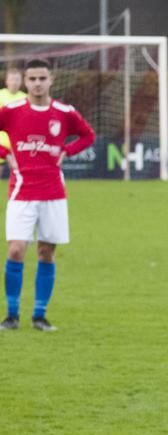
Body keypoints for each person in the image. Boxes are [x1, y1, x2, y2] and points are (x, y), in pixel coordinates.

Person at [0, 58, 96, 332]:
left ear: (51, 80)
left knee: (46, 252)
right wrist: (5, 154)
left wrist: (68, 151)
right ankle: (11, 315)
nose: (37, 83)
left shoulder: (64, 112)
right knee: (16, 250)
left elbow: (88, 135)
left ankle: (39, 316)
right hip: (22, 191)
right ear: (25, 81)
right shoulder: (11, 110)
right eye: (32, 79)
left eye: (42, 78)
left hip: (53, 192)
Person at [0, 66, 27, 177]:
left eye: (17, 79)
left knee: (19, 175)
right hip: (2, 141)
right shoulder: (0, 95)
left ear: (21, 82)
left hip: (19, 142)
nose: (14, 82)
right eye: (12, 79)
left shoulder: (26, 98)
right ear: (6, 81)